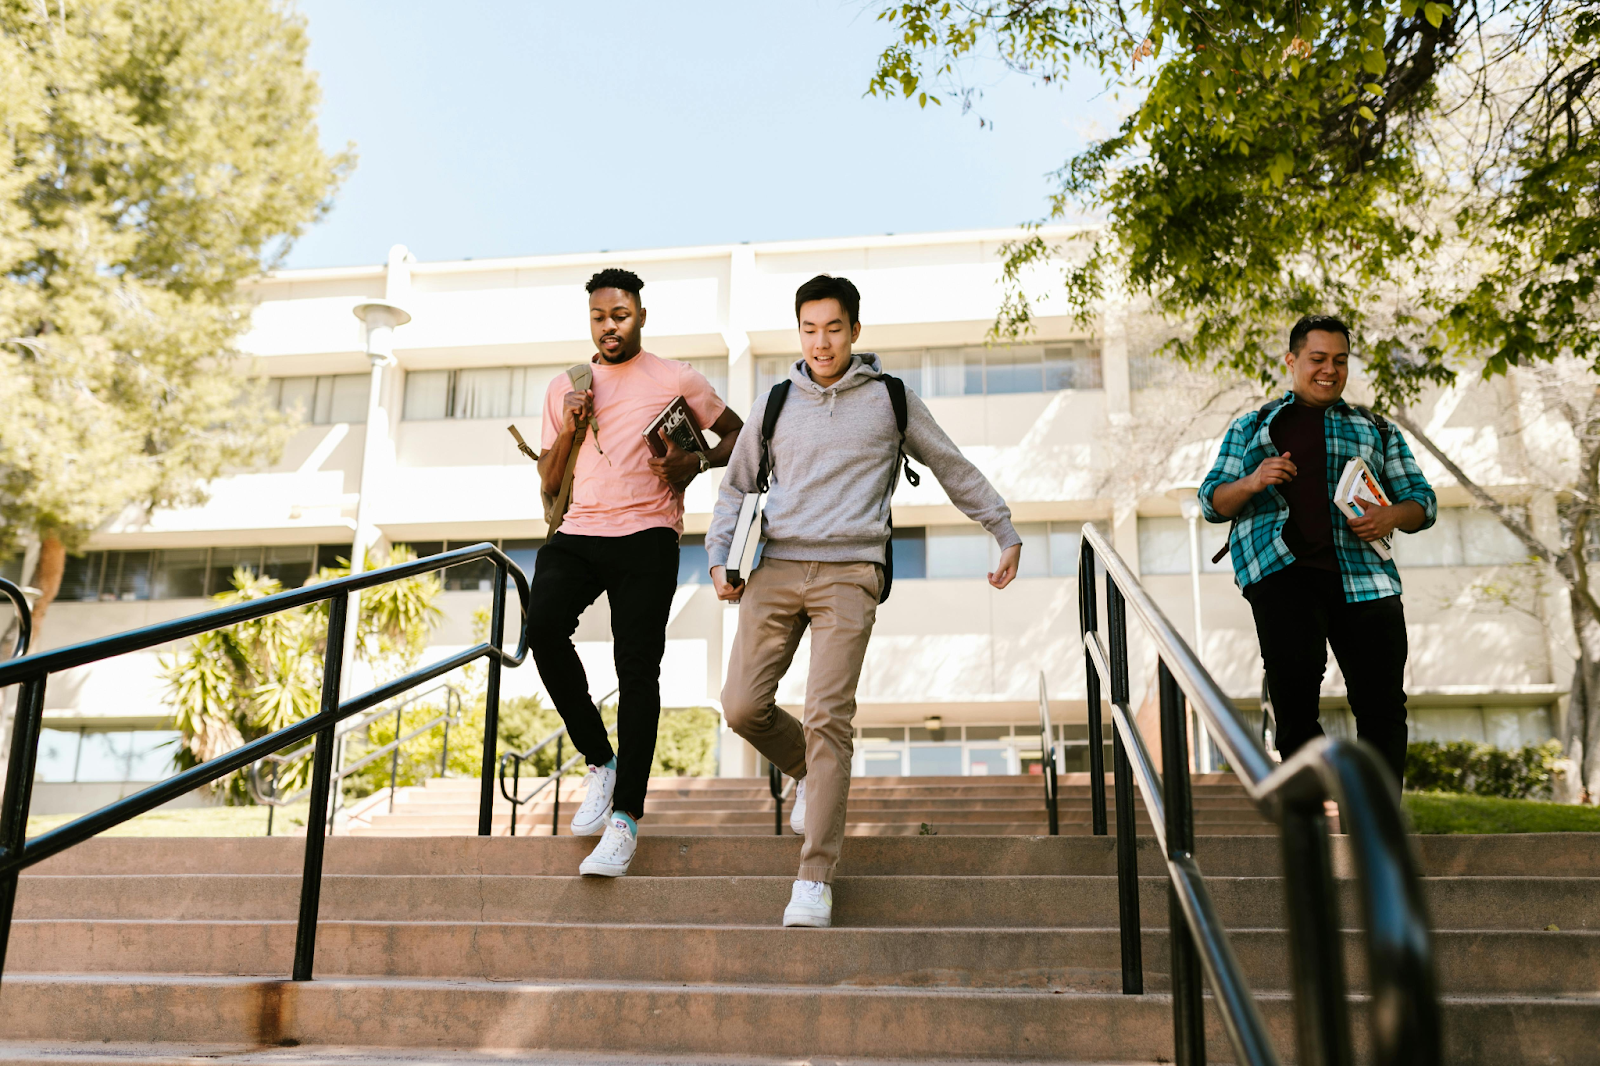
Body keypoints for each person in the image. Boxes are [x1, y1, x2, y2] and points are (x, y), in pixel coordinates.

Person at [706, 274, 1022, 928]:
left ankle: (814, 876)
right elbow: (735, 489)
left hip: (851, 571)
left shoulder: (890, 400)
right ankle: (810, 777)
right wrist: (718, 556)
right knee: (741, 707)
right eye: (809, 328)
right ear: (799, 332)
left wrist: (1002, 527)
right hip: (774, 567)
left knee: (827, 718)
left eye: (833, 328)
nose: (821, 342)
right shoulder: (774, 403)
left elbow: (952, 465)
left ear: (854, 330)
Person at [530, 267, 745, 876]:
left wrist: (694, 462)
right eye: (599, 317)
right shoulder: (566, 387)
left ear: (641, 316)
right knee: (542, 629)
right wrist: (571, 427)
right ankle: (601, 761)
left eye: (620, 315)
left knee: (637, 669)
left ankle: (624, 820)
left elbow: (737, 435)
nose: (609, 327)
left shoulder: (675, 376)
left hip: (648, 534)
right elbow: (548, 484)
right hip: (578, 533)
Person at [1199, 314, 1436, 788]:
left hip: (1366, 579)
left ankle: (1377, 823)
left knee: (1383, 705)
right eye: (1318, 359)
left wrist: (1392, 515)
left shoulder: (1376, 429)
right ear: (1292, 361)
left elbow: (1423, 502)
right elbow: (1211, 502)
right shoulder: (1253, 426)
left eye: (1340, 360)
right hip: (1283, 574)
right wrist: (1253, 480)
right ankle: (1314, 816)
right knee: (1294, 701)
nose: (1330, 369)